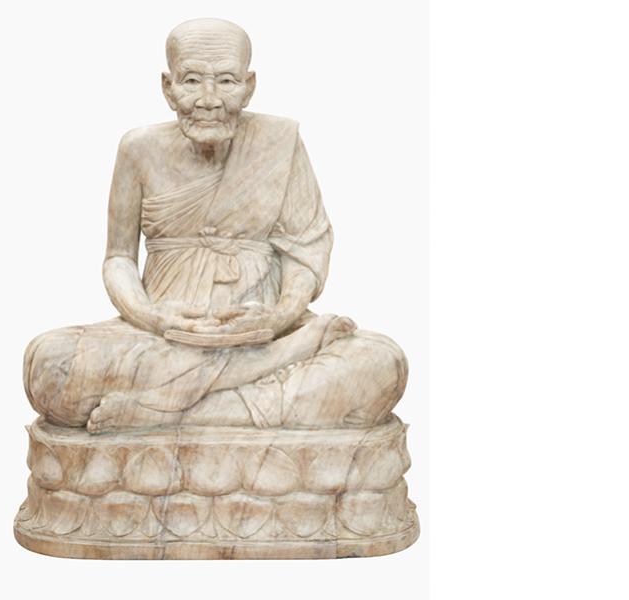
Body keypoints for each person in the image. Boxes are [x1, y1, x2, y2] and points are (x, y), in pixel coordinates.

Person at [23, 18, 408, 433]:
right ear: (168, 87)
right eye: (191, 81)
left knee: (381, 361)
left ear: (249, 85)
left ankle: (172, 410)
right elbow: (119, 258)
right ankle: (252, 386)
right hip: (162, 337)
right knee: (49, 362)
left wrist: (279, 318)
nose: (209, 100)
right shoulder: (139, 149)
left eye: (226, 81)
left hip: (264, 332)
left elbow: (305, 249)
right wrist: (153, 318)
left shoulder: (280, 142)